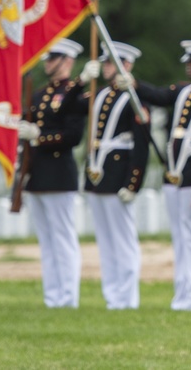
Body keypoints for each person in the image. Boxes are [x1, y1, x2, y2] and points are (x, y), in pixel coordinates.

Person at [132, 40, 191, 311]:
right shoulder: (183, 90)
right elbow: (159, 96)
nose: (188, 65)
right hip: (175, 172)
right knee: (180, 237)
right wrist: (134, 84)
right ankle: (182, 293)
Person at [68, 41, 151, 310]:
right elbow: (67, 107)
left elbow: (141, 144)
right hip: (97, 173)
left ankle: (127, 298)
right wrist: (81, 81)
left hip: (118, 174)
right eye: (103, 63)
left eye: (109, 63)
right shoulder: (99, 93)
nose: (105, 68)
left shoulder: (133, 97)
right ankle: (112, 296)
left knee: (122, 239)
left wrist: (133, 182)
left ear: (125, 65)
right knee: (105, 240)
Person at [16, 38, 87, 309]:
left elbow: (73, 136)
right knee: (47, 241)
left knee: (63, 238)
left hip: (59, 174)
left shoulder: (74, 95)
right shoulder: (38, 94)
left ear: (67, 61)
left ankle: (68, 297)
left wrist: (39, 137)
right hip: (37, 174)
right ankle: (52, 296)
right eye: (47, 58)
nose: (47, 63)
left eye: (53, 58)